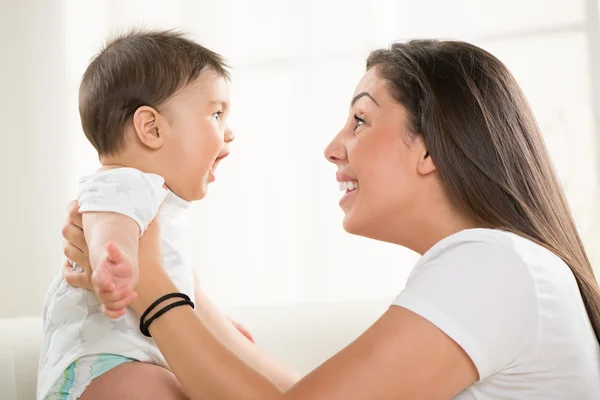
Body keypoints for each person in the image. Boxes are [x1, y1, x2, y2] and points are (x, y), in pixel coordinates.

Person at [62, 39, 600, 399]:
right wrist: (185, 290)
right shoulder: (497, 266)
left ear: (430, 148)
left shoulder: (492, 265)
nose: (332, 148)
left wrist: (153, 291)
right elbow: (304, 395)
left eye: (361, 119)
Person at [38, 30, 297, 400]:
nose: (230, 133)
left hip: (137, 357)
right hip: (103, 364)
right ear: (152, 128)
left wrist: (210, 330)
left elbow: (172, 282)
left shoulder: (154, 196)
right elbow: (106, 229)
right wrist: (116, 263)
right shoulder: (123, 182)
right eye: (216, 114)